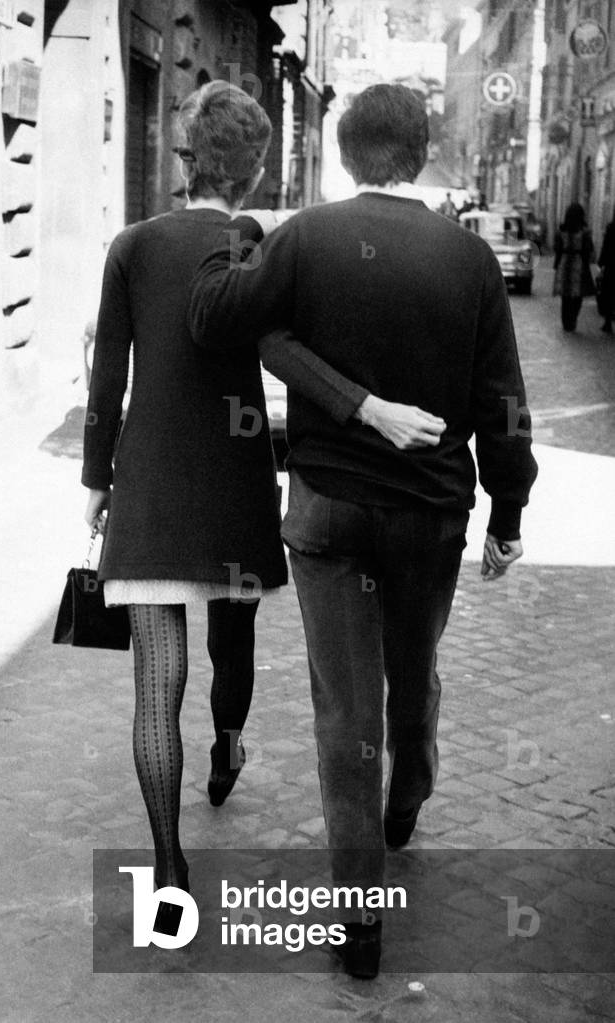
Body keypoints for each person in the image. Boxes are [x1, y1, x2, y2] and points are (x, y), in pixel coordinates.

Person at [188, 83, 538, 978]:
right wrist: (509, 508)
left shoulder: (304, 236)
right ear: (419, 156)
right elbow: (503, 401)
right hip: (428, 511)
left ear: (344, 157)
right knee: (411, 675)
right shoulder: (466, 262)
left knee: (345, 709)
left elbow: (218, 314)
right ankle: (407, 797)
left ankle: (358, 920)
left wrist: (243, 237)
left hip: (327, 512)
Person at [82, 80, 443, 898]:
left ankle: (168, 860)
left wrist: (97, 480)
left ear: (183, 159)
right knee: (231, 635)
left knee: (154, 685)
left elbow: (109, 380)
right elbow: (289, 349)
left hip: (148, 482)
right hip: (234, 478)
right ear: (251, 170)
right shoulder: (262, 242)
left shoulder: (132, 245)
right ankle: (228, 743)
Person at [553, 203, 595, 332]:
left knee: (565, 296)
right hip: (578, 264)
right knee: (577, 295)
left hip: (564, 263)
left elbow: (557, 248)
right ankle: (573, 319)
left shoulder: (561, 231)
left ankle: (566, 322)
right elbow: (589, 249)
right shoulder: (584, 232)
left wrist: (557, 264)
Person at [597, 209, 615, 334]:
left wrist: (601, 262)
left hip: (612, 266)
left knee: (609, 294)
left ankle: (608, 322)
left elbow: (606, 245)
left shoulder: (611, 228)